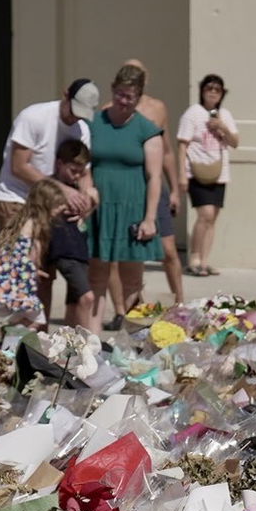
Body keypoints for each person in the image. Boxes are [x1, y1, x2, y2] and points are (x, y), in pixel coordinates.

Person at [87, 64, 164, 334]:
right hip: (99, 209)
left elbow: (155, 177)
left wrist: (150, 218)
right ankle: (92, 344)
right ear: (112, 90)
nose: (123, 101)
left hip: (133, 210)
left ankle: (136, 343)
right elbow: (82, 164)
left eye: (129, 96)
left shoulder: (147, 129)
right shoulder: (94, 123)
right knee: (96, 277)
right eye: (119, 94)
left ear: (139, 97)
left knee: (132, 282)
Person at [0, 78, 98, 231]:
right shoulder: (34, 117)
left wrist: (84, 200)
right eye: (74, 111)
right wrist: (62, 189)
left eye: (82, 115)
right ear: (66, 95)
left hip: (51, 206)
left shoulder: (82, 130)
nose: (75, 118)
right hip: (17, 200)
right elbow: (19, 167)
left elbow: (84, 173)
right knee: (18, 254)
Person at [122, 58, 184, 306]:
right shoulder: (112, 109)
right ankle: (131, 305)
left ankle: (180, 301)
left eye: (139, 72)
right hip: (129, 189)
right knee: (127, 255)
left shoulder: (157, 108)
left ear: (146, 78)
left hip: (156, 186)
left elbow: (167, 150)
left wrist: (176, 190)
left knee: (168, 251)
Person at [0, 179, 64, 326]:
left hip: (12, 281)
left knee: (23, 319)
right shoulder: (38, 225)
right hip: (22, 285)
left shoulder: (21, 221)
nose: (62, 207)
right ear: (46, 205)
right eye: (58, 205)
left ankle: (12, 342)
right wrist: (35, 269)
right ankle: (15, 344)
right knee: (35, 320)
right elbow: (34, 253)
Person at [177, 72, 239, 277]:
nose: (213, 93)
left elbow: (235, 142)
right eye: (209, 88)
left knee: (213, 218)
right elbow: (182, 145)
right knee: (205, 214)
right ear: (202, 91)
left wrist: (221, 127)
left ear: (222, 94)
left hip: (219, 172)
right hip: (196, 171)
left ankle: (204, 261)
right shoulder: (192, 113)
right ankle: (194, 258)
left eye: (217, 90)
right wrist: (181, 175)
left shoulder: (225, 115)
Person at [45, 138, 97, 328]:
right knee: (87, 298)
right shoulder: (51, 187)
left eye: (80, 172)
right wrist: (58, 209)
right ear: (60, 164)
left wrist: (90, 204)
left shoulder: (78, 189)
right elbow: (39, 214)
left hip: (79, 251)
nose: (76, 176)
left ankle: (69, 346)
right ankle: (86, 346)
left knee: (74, 303)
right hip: (65, 252)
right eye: (73, 171)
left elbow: (92, 199)